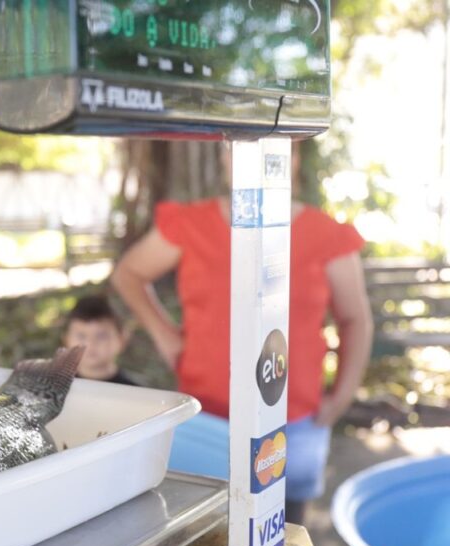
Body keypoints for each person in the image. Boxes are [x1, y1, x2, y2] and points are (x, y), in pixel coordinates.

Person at [110, 143, 373, 524]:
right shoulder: (191, 225)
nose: (254, 163)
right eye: (238, 151)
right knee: (203, 535)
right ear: (224, 159)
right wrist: (165, 335)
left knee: (286, 538)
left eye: (274, 153)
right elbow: (129, 274)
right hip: (205, 415)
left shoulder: (325, 234)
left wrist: (343, 394)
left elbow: (355, 319)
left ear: (293, 161)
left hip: (294, 420)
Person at [62, 295, 139, 385]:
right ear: (66, 339)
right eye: (81, 336)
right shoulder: (51, 391)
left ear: (122, 339)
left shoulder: (136, 393)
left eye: (101, 336)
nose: (90, 344)